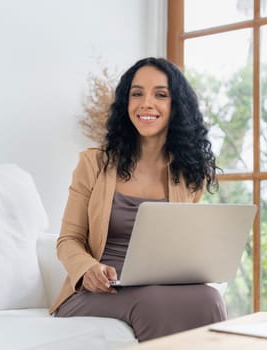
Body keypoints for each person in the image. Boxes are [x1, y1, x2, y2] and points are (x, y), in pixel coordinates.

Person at [49, 57, 226, 341]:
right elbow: (67, 240)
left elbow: (182, 248)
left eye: (160, 95)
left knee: (209, 297)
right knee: (154, 302)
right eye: (137, 93)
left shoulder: (190, 174)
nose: (146, 103)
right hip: (97, 291)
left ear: (175, 106)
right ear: (126, 103)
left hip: (157, 284)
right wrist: (88, 269)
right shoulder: (93, 163)